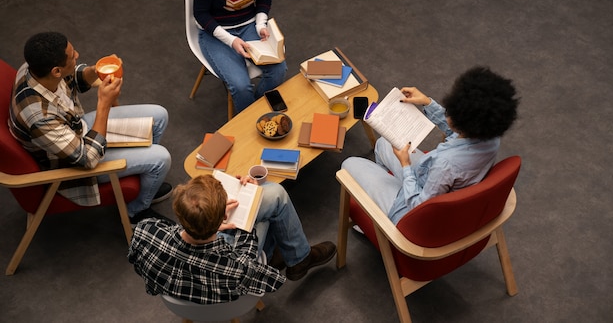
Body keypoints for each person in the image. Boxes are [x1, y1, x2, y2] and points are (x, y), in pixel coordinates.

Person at [9, 32, 173, 224]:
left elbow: (71, 78)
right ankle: (136, 212)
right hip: (72, 164)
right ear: (56, 71)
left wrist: (96, 70)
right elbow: (87, 158)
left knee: (159, 116)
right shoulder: (39, 118)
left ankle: (144, 177)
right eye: (72, 56)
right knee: (161, 159)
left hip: (75, 127)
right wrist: (104, 104)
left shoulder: (33, 69)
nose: (77, 55)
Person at [342, 66, 519, 225]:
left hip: (411, 208)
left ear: (461, 120)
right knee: (383, 143)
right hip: (435, 185)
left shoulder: (445, 164)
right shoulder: (490, 137)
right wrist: (427, 102)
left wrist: (405, 166)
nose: (447, 111)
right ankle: (386, 194)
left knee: (348, 164)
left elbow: (419, 207)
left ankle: (382, 220)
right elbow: (459, 132)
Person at [128, 173, 336, 302]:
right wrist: (251, 197)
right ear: (222, 218)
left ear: (178, 210)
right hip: (226, 289)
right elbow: (273, 281)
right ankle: (300, 259)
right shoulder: (238, 266)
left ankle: (284, 253)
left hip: (179, 287)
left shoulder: (144, 231)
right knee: (270, 204)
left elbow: (136, 258)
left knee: (266, 206)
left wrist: (210, 222)